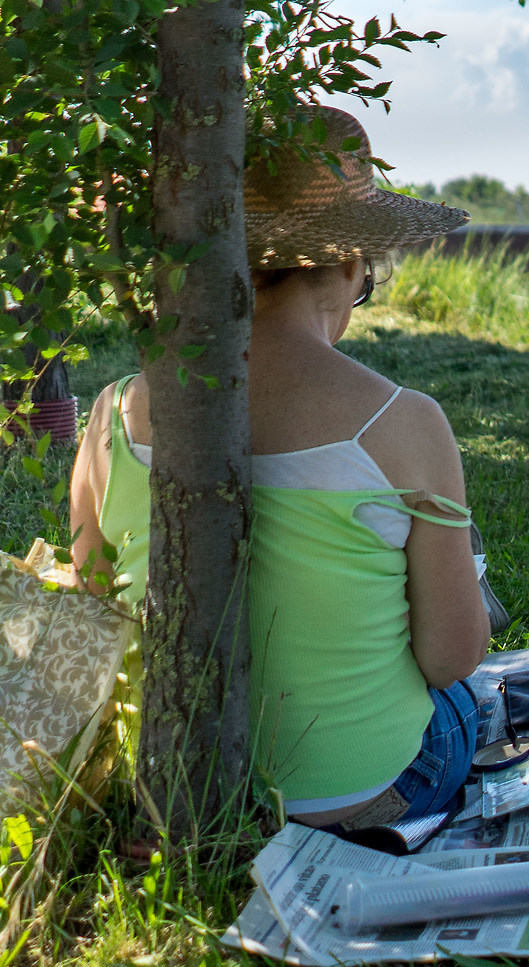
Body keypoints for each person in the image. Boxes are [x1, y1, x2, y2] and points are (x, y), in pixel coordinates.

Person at [68, 105, 486, 831]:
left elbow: (95, 606)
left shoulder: (112, 413)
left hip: (175, 794)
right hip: (358, 800)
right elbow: (450, 656)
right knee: (462, 703)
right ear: (352, 262)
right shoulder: (402, 423)